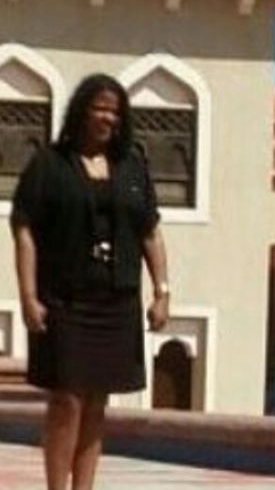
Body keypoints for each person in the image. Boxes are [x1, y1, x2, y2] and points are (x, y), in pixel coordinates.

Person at [10, 73, 170, 490]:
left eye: (115, 112)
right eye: (100, 108)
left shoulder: (132, 166)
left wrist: (162, 292)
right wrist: (27, 295)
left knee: (97, 402)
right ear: (82, 110)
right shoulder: (49, 164)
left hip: (116, 302)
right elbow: (24, 228)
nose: (107, 118)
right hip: (65, 299)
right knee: (66, 399)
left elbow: (150, 231)